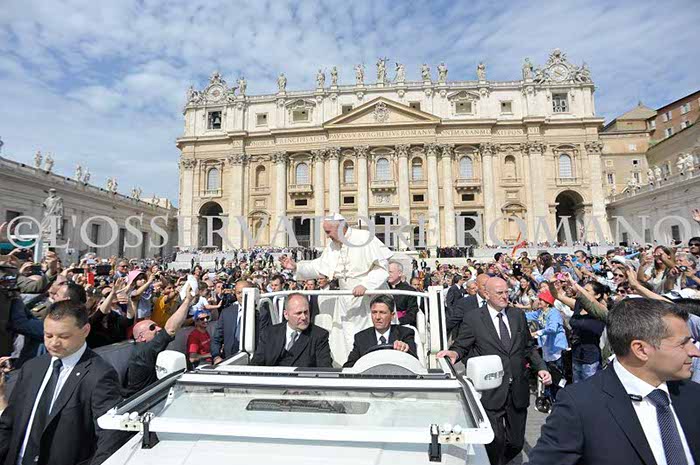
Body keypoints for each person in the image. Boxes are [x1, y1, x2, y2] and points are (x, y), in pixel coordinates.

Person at [528, 298, 700, 465]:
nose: (695, 351)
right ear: (640, 349)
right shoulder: (579, 406)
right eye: (683, 343)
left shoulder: (693, 394)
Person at [438, 277, 551, 465]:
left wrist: (541, 368)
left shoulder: (517, 315)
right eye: (499, 293)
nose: (505, 296)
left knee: (515, 443)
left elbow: (528, 347)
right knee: (494, 442)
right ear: (487, 294)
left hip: (517, 389)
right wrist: (454, 353)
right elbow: (462, 345)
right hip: (491, 390)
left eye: (507, 292)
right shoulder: (474, 318)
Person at [0, 301, 126, 465]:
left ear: (85, 330)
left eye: (64, 337)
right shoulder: (32, 367)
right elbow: (9, 422)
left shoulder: (100, 375)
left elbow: (110, 436)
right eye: (48, 335)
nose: (54, 343)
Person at [280, 215, 392, 363]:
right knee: (348, 335)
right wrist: (296, 267)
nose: (327, 236)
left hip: (371, 296)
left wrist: (366, 285)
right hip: (347, 298)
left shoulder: (364, 237)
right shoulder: (333, 246)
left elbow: (382, 267)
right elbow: (318, 266)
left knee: (374, 331)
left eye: (328, 232)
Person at [123, 287, 193, 397]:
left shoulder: (143, 350)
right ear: (141, 337)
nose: (159, 329)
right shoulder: (144, 351)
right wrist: (187, 300)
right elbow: (170, 329)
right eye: (152, 328)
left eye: (157, 326)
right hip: (141, 402)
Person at [251, 293, 332, 368]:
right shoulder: (269, 333)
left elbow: (325, 369)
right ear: (286, 314)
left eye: (306, 312)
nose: (304, 317)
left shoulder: (319, 336)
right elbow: (256, 364)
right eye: (298, 313)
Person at [343, 295, 417, 368]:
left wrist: (405, 349)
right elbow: (349, 367)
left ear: (392, 315)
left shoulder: (405, 334)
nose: (377, 317)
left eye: (382, 312)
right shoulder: (361, 338)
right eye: (374, 312)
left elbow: (415, 363)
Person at [211, 280, 270, 363]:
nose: (242, 296)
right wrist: (216, 357)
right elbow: (216, 338)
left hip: (253, 359)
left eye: (245, 293)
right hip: (229, 359)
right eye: (239, 293)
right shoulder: (226, 313)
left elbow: (264, 340)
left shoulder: (262, 313)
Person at [387, 261, 419, 326]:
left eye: (390, 272)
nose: (388, 275)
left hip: (401, 325)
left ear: (400, 273)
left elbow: (412, 313)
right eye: (387, 272)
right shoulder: (382, 289)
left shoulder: (410, 291)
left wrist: (398, 321)